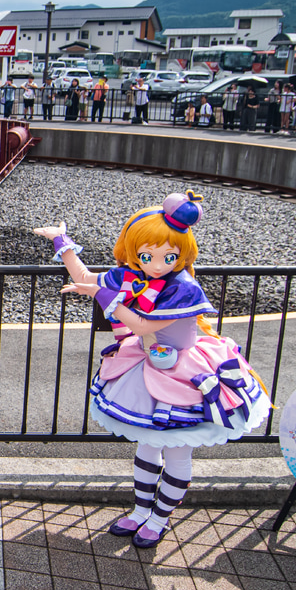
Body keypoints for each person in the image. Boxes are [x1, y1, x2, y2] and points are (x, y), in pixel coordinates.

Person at [34, 192, 270, 548]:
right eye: (148, 256)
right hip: (147, 365)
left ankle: (160, 520)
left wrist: (103, 296)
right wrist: (61, 240)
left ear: (182, 254)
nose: (158, 265)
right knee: (147, 445)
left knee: (177, 451)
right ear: (134, 252)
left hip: (184, 371)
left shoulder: (184, 287)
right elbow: (86, 276)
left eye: (168, 257)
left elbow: (142, 326)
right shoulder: (131, 276)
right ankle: (141, 512)